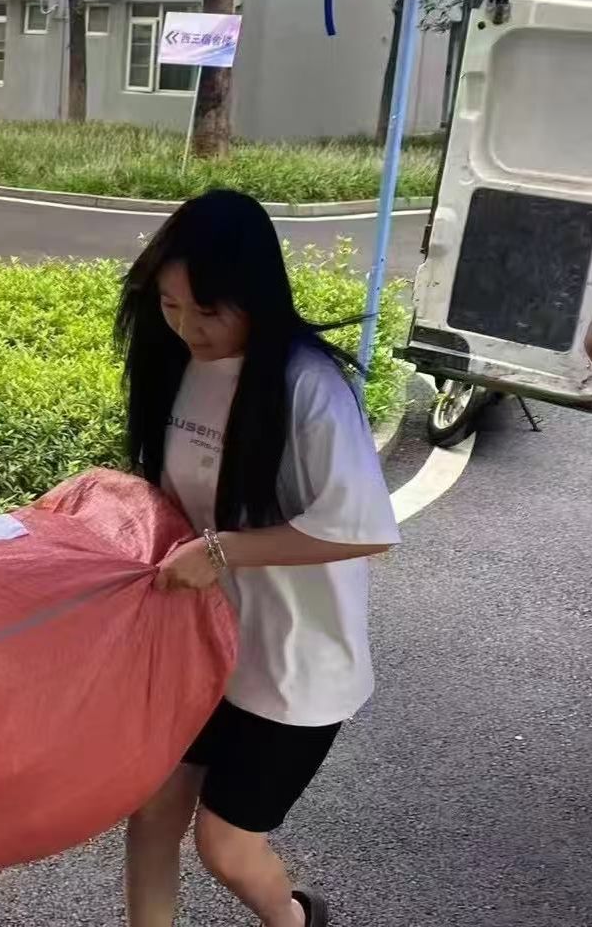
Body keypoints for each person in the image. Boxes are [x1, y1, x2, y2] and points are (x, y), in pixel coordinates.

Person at [114, 190, 400, 927]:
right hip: (203, 647)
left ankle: (296, 919)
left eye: (208, 310)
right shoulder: (175, 364)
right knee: (152, 812)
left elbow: (365, 529)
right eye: (171, 306)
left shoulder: (310, 387)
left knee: (226, 846)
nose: (189, 328)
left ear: (255, 296)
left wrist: (224, 552)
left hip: (296, 665)